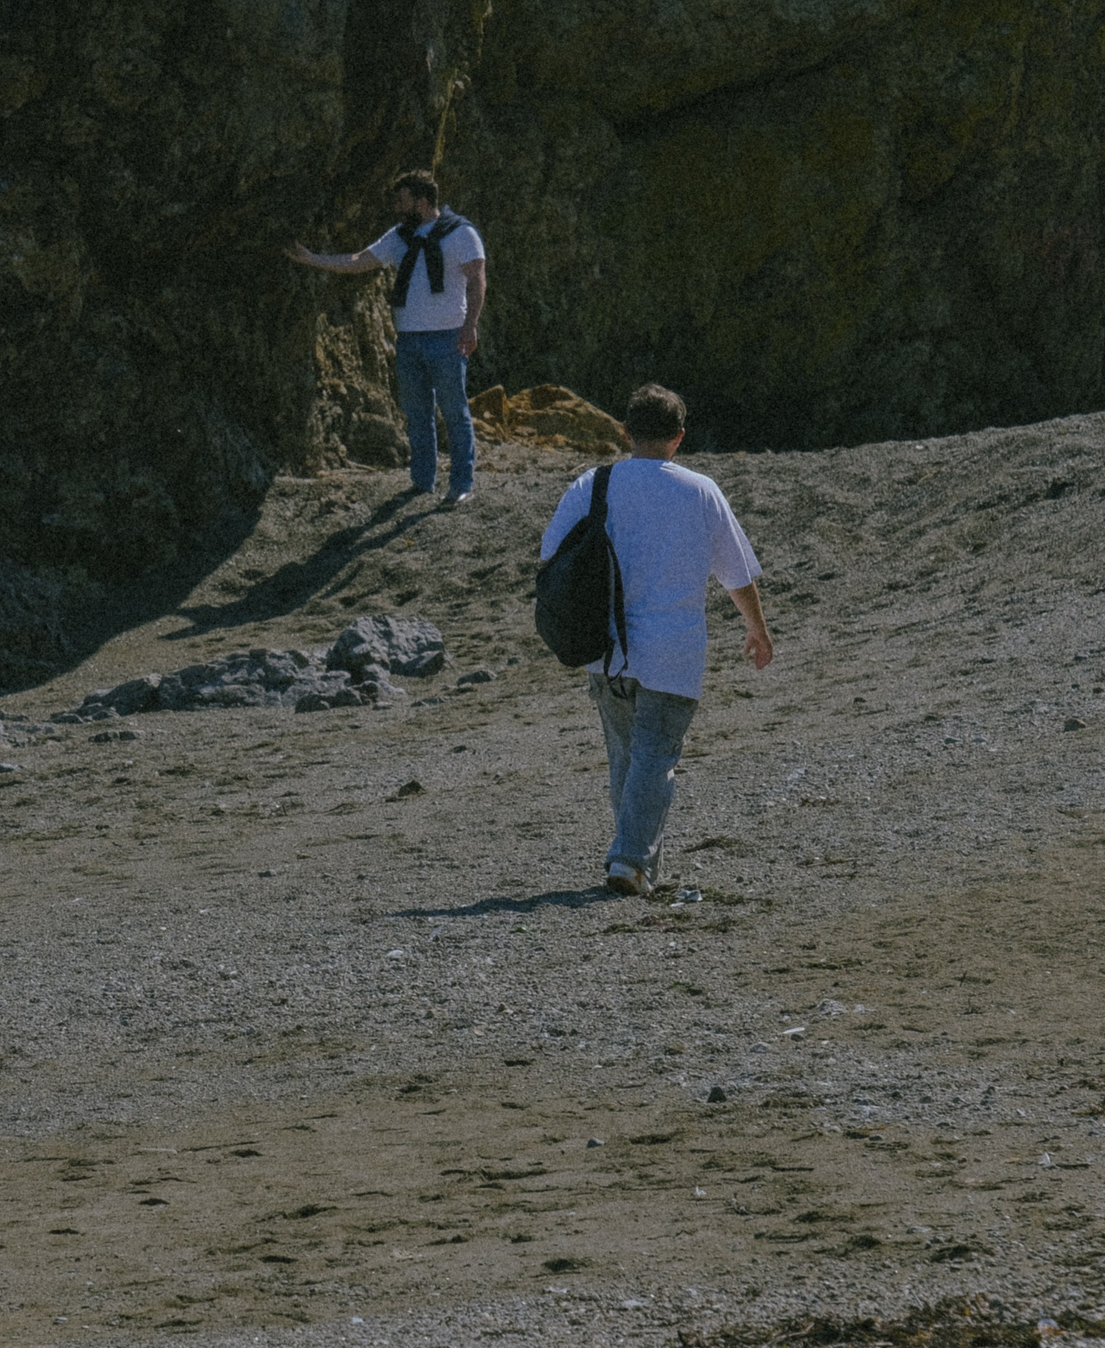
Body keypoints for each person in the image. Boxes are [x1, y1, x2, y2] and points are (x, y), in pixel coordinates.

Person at [538, 384, 773, 896]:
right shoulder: (700, 489)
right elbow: (736, 574)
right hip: (674, 649)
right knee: (654, 755)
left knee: (627, 757)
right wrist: (756, 628)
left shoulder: (592, 485)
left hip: (607, 648)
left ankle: (640, 865)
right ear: (679, 438)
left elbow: (551, 555)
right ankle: (629, 861)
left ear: (624, 432)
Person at [284, 170, 487, 506]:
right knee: (417, 413)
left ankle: (461, 484)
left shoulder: (461, 233)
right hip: (408, 340)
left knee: (454, 411)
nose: (396, 206)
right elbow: (358, 261)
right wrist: (312, 259)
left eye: (401, 200)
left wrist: (470, 325)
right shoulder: (399, 237)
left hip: (447, 338)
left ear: (421, 202)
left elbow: (477, 280)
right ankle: (422, 482)